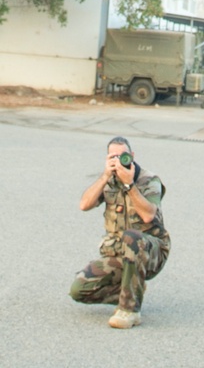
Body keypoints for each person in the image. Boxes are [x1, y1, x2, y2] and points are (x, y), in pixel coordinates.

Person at [70, 136, 170, 330]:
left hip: (152, 250)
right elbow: (84, 205)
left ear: (131, 156)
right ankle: (131, 289)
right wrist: (105, 176)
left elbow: (149, 215)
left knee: (131, 236)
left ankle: (129, 311)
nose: (118, 161)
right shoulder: (108, 181)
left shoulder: (149, 180)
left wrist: (129, 185)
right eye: (112, 157)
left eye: (122, 156)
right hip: (121, 253)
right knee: (79, 289)